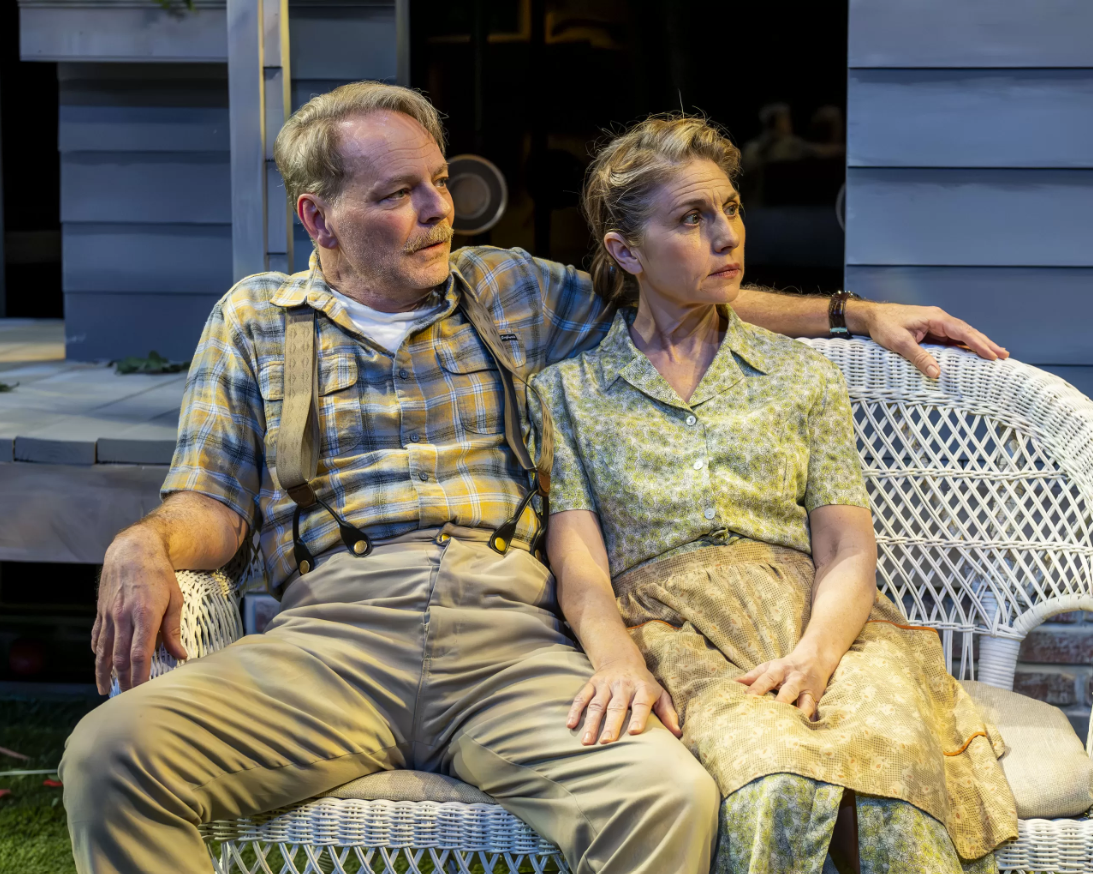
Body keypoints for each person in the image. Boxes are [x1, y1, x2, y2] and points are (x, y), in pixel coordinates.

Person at [60, 83, 1008, 874]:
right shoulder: (258, 319)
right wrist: (145, 542)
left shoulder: (506, 289)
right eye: (398, 194)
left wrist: (851, 313)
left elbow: (674, 283)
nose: (438, 210)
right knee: (111, 754)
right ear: (319, 218)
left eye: (440, 182)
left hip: (513, 639)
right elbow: (212, 506)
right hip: (333, 639)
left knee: (662, 797)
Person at [529, 114, 1018, 874]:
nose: (726, 235)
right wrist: (617, 657)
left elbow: (846, 545)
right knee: (772, 776)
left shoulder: (800, 375)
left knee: (892, 767)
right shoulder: (568, 393)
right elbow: (579, 563)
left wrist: (816, 657)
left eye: (729, 208)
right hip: (677, 634)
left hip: (822, 621)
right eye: (691, 218)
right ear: (626, 251)